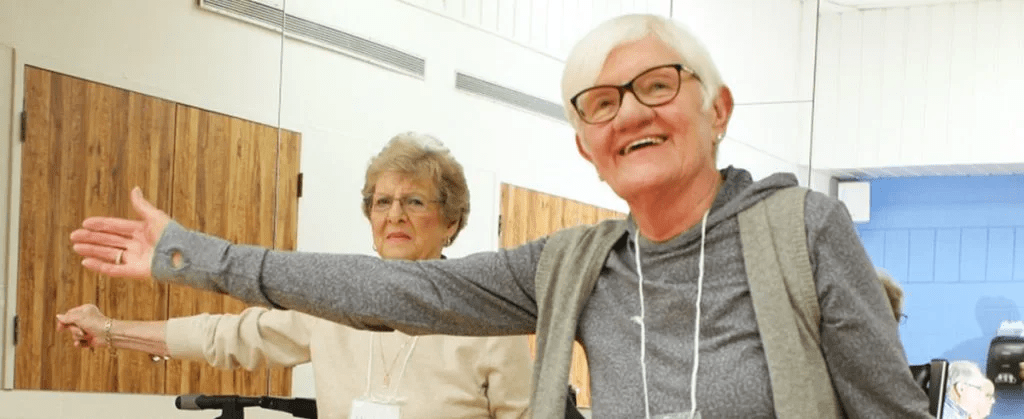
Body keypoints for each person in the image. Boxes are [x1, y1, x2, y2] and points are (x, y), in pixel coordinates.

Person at [68, 14, 931, 418]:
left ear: (719, 109)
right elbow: (392, 292)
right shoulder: (575, 264)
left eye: (657, 86)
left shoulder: (802, 230)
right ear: (587, 145)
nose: (630, 112)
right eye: (601, 103)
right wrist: (193, 254)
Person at [58, 133, 533, 419]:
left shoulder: (487, 318)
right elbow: (226, 337)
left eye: (414, 201)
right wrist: (110, 330)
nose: (394, 215)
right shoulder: (337, 303)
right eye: (382, 202)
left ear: (451, 221)